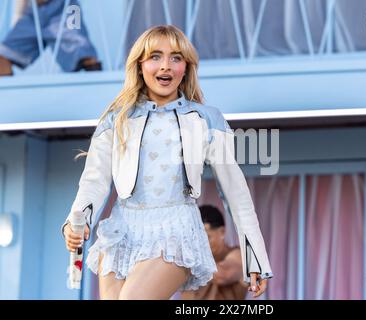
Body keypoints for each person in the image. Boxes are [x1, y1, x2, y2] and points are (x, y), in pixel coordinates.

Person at [62, 25, 273, 300]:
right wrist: (75, 222)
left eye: (176, 57)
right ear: (140, 65)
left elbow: (237, 195)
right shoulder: (116, 119)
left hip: (175, 230)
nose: (166, 66)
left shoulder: (206, 119)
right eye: (155, 57)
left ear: (186, 66)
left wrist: (255, 258)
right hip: (121, 231)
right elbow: (94, 181)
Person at [0, 0, 101, 76]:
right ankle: (8, 98)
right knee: (2, 57)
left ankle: (100, 93)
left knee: (84, 55)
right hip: (33, 12)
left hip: (65, 7)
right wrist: (17, 18)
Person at [181, 205, 249, 300]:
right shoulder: (188, 257)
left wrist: (186, 258)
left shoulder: (238, 255)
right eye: (195, 237)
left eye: (205, 236)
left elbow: (223, 275)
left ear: (222, 232)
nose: (199, 242)